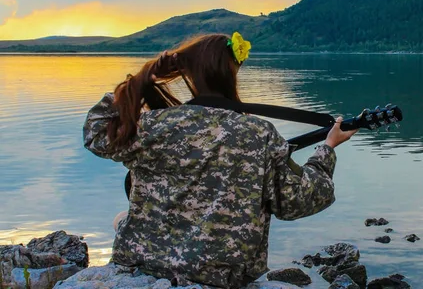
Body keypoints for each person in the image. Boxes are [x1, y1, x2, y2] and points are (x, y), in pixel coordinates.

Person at [83, 33, 357, 288]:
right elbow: (299, 200)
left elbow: (95, 134)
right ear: (232, 74)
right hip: (222, 274)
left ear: (188, 74)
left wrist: (143, 79)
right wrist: (327, 149)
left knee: (122, 218)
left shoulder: (152, 126)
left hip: (147, 262)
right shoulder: (258, 133)